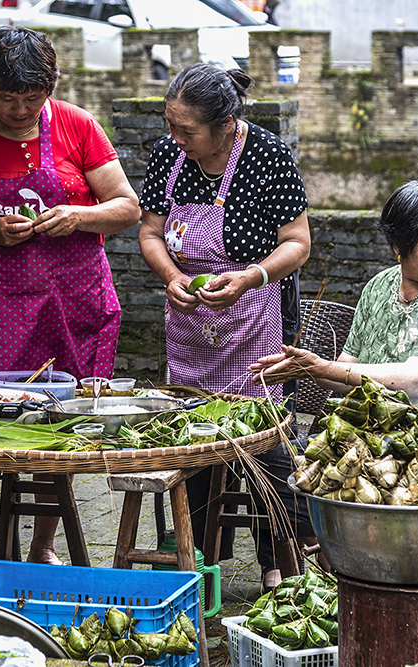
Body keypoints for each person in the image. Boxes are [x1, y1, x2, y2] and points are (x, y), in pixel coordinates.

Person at [0, 26, 140, 566]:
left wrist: (78, 216)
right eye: (6, 97)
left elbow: (127, 207)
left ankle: (41, 547)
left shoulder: (76, 125)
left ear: (50, 87)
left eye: (31, 97)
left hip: (72, 306)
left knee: (59, 431)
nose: (18, 109)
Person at [137, 63, 311, 591]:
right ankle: (201, 557)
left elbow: (298, 243)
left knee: (264, 443)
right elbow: (150, 232)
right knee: (195, 439)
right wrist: (172, 277)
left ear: (228, 122)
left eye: (187, 129)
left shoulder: (266, 155)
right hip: (192, 321)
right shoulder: (170, 156)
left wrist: (250, 276)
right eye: (171, 125)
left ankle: (278, 559)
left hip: (255, 314)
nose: (176, 138)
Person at [250, 179, 418, 448]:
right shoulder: (379, 287)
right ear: (398, 246)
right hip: (381, 435)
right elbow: (346, 379)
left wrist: (322, 368)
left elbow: (417, 381)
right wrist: (302, 369)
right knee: (275, 455)